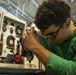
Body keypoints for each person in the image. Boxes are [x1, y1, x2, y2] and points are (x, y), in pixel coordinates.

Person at [22, 0, 76, 75]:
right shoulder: (48, 36)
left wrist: (35, 47)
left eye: (52, 35)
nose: (48, 40)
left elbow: (73, 70)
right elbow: (27, 38)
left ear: (67, 23)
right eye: (44, 35)